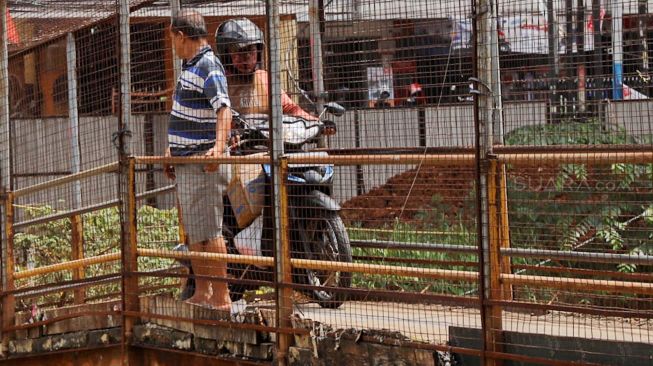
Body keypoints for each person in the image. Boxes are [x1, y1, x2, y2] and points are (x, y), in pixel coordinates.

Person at [165, 10, 232, 311]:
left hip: (204, 161)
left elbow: (223, 108)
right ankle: (203, 291)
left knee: (209, 231)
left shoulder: (207, 64)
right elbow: (188, 115)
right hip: (187, 161)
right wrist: (172, 151)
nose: (173, 45)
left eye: (172, 39)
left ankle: (221, 296)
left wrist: (218, 147)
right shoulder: (189, 65)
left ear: (180, 35)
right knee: (196, 231)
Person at [215, 18, 317, 120]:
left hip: (268, 134)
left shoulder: (263, 78)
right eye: (240, 52)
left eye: (251, 51)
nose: (246, 59)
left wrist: (314, 122)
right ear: (227, 55)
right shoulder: (220, 81)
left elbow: (290, 107)